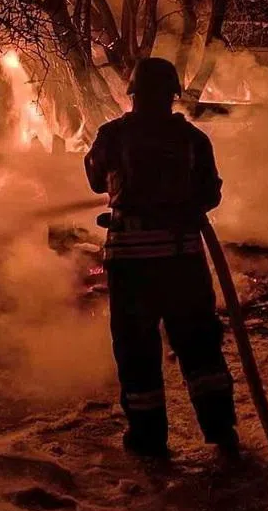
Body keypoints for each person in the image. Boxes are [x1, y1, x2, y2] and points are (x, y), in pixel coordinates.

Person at [84, 57, 238, 458]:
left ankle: (148, 439)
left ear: (132, 94)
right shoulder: (193, 140)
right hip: (182, 262)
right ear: (172, 95)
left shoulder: (111, 136)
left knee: (137, 352)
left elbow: (96, 179)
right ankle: (221, 430)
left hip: (131, 267)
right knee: (200, 347)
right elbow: (210, 195)